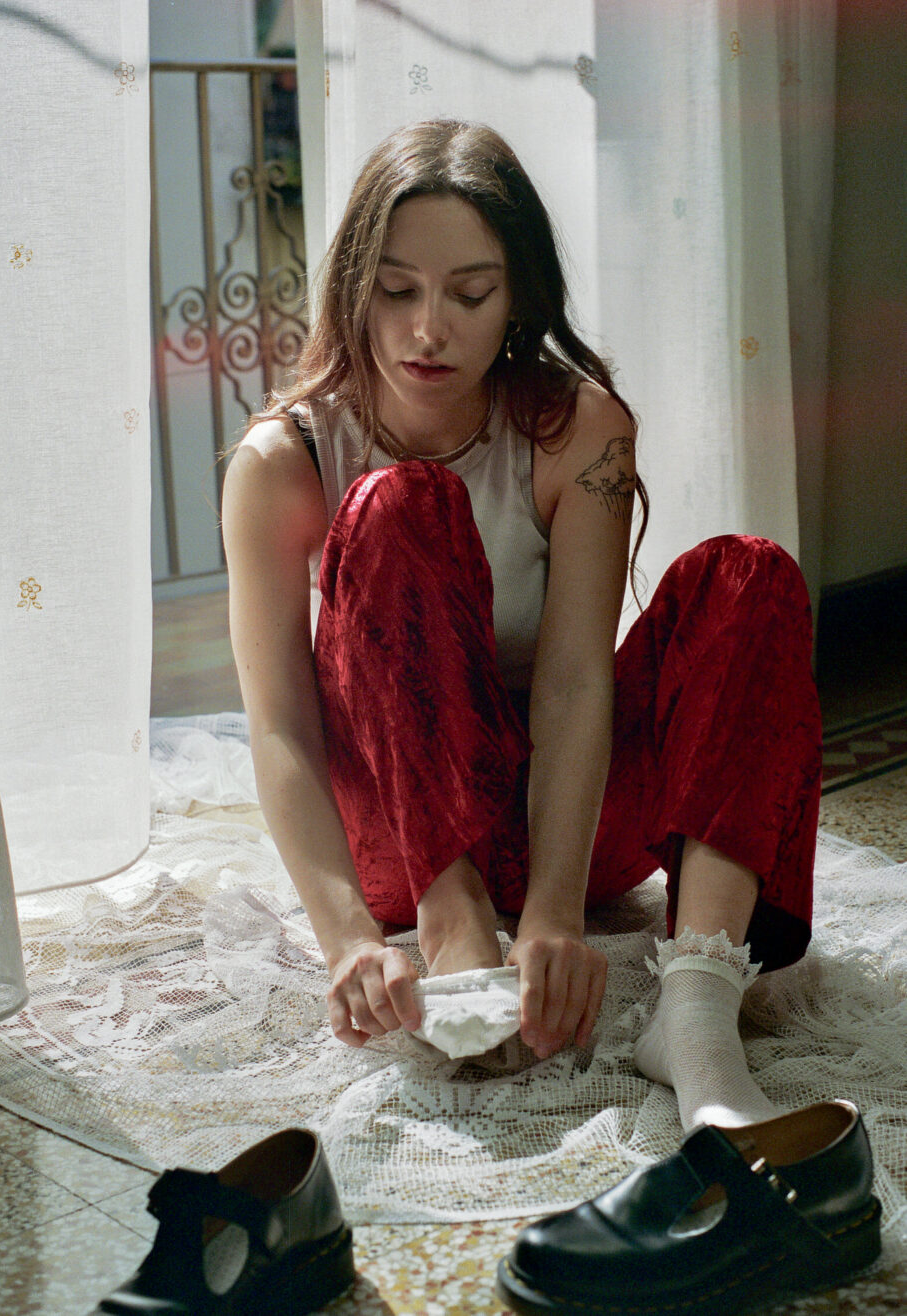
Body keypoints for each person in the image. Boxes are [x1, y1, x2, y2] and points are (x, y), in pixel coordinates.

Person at [221, 119, 821, 1131]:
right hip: (399, 835)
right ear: (354, 287)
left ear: (517, 300)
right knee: (397, 503)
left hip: (562, 816)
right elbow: (281, 726)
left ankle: (696, 1010)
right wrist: (349, 941)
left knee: (750, 572)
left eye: (469, 294)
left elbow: (578, 680)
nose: (428, 330)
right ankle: (456, 930)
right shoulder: (282, 462)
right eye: (397, 290)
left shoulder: (578, 429)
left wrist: (551, 912)